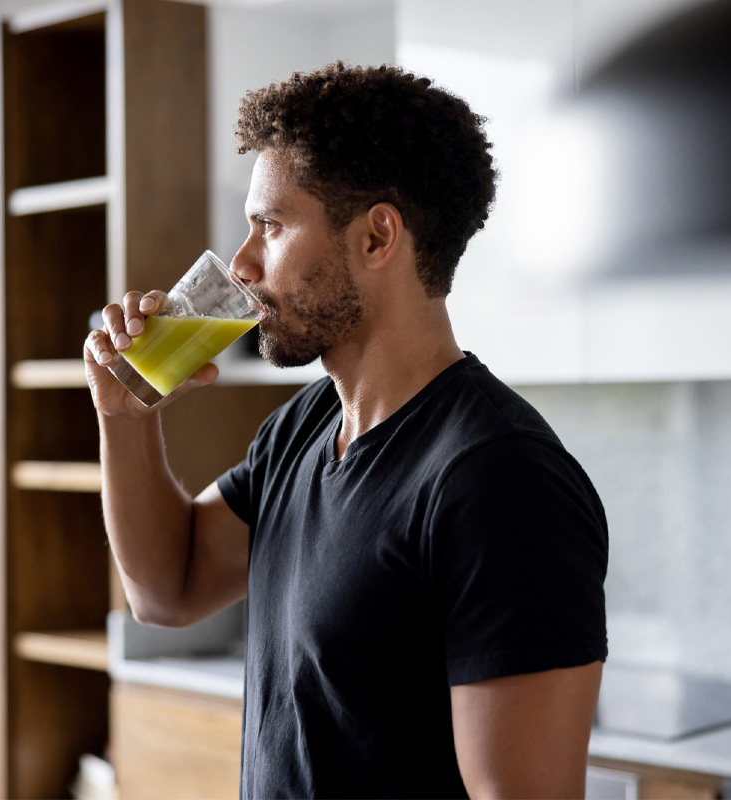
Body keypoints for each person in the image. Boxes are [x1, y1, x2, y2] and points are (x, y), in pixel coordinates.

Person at [84, 62, 608, 799]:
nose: (240, 263)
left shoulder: (500, 480)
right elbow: (166, 589)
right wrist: (123, 417)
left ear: (376, 237)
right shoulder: (301, 428)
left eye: (269, 225)